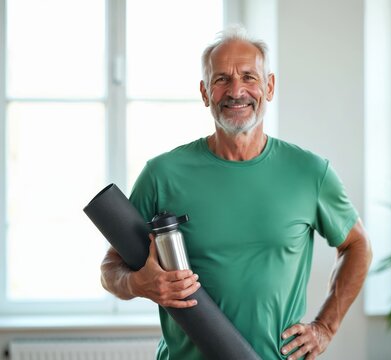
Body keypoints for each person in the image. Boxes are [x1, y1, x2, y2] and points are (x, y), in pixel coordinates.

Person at [100, 25, 372, 360]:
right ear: (204, 93)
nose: (236, 90)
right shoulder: (161, 174)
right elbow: (110, 267)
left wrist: (325, 327)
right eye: (221, 80)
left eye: (249, 77)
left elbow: (358, 245)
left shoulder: (311, 173)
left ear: (269, 87)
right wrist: (137, 283)